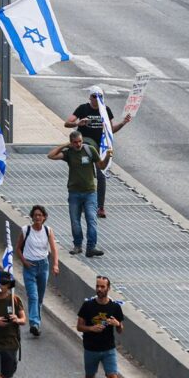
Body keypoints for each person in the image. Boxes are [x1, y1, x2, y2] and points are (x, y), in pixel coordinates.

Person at [64, 86, 132, 218]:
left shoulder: (105, 110)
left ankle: (100, 206)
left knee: (101, 175)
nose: (96, 99)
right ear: (90, 97)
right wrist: (79, 123)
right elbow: (67, 123)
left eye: (99, 96)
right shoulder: (83, 108)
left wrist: (123, 123)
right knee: (83, 173)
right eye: (94, 96)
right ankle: (82, 201)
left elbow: (110, 130)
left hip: (100, 146)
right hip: (85, 145)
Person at [47, 131, 112, 257]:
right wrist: (64, 146)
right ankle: (77, 245)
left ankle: (91, 247)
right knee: (75, 221)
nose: (78, 144)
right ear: (71, 142)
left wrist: (108, 156)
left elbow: (102, 166)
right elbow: (51, 156)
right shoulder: (69, 153)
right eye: (75, 142)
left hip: (90, 193)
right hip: (74, 193)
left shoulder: (90, 150)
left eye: (80, 141)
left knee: (91, 219)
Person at [14, 205, 60, 336]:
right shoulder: (25, 230)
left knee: (39, 297)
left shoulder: (48, 231)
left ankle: (36, 321)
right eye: (35, 215)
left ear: (44, 217)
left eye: (40, 215)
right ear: (32, 217)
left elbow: (54, 249)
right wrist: (24, 261)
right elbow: (18, 248)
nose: (38, 217)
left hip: (43, 266)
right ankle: (34, 323)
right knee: (33, 296)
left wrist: (55, 265)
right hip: (29, 266)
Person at [77, 276, 125, 378]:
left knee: (112, 375)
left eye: (102, 287)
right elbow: (79, 327)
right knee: (90, 376)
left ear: (108, 288)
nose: (99, 289)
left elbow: (120, 330)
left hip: (108, 349)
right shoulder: (87, 305)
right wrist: (91, 328)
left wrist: (118, 324)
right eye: (97, 286)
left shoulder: (115, 307)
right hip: (91, 349)